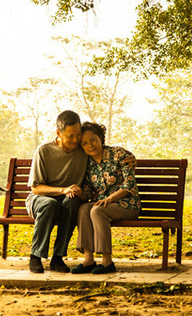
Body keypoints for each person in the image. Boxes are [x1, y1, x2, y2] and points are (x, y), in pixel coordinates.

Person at [71, 121, 140, 275]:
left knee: (97, 211)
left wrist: (110, 199)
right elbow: (88, 191)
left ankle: (107, 261)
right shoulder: (87, 164)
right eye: (85, 143)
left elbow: (130, 185)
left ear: (100, 138)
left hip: (127, 204)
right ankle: (88, 259)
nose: (90, 145)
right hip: (103, 204)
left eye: (93, 140)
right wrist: (79, 193)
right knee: (83, 209)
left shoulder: (119, 154)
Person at [24, 110, 88, 274]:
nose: (75, 140)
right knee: (50, 204)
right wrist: (63, 189)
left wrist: (128, 158)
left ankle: (58, 258)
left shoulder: (83, 150)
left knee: (72, 201)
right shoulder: (44, 151)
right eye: (70, 136)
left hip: (67, 199)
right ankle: (36, 256)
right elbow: (36, 188)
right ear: (58, 133)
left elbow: (104, 151)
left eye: (78, 134)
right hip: (41, 199)